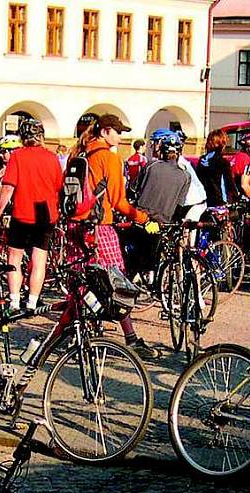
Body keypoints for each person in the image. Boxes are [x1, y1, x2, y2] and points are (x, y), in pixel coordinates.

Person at [71, 114, 157, 359]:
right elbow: (119, 201)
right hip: (100, 229)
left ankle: (79, 335)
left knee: (82, 282)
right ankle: (130, 337)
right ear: (106, 131)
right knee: (115, 282)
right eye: (118, 131)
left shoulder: (79, 155)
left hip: (77, 227)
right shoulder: (109, 158)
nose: (121, 136)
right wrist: (143, 219)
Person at [0, 118, 62, 312]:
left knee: (14, 256)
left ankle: (14, 301)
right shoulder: (52, 158)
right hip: (46, 213)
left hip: (22, 211)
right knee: (39, 259)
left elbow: (8, 187)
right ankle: (32, 302)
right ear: (41, 136)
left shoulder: (17, 156)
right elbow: (58, 186)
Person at [196, 129, 238, 207]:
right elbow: (229, 183)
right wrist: (236, 197)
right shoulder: (222, 162)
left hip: (202, 200)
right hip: (219, 201)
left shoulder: (201, 160)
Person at [231, 133, 250, 201]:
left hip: (231, 197)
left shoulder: (236, 156)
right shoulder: (248, 161)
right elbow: (244, 185)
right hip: (240, 199)